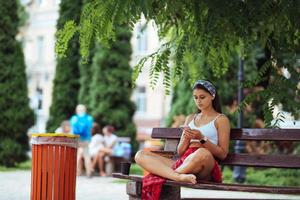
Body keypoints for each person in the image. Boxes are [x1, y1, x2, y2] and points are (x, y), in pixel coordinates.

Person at [135, 80, 230, 200]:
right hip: (184, 162)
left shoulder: (221, 119)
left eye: (202, 97)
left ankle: (170, 175)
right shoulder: (190, 118)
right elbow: (180, 153)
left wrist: (202, 138)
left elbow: (223, 154)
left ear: (212, 96)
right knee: (140, 155)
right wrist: (186, 138)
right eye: (195, 97)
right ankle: (177, 177)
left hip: (205, 164)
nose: (198, 101)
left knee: (201, 153)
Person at [70, 104, 93, 177]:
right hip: (86, 139)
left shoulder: (74, 118)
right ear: (85, 110)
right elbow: (90, 129)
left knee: (78, 155)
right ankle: (89, 172)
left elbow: (72, 129)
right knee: (86, 155)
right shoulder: (89, 118)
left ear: (77, 110)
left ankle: (77, 172)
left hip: (77, 138)